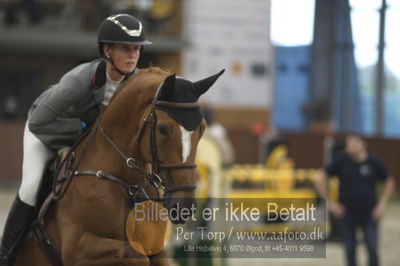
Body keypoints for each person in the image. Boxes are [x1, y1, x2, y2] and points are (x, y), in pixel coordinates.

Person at [0, 13, 152, 265]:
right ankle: (6, 254)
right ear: (107, 50)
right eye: (126, 49)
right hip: (45, 133)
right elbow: (39, 120)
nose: (133, 55)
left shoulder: (135, 83)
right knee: (30, 187)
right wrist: (85, 126)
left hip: (86, 140)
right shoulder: (78, 80)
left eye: (136, 49)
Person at [314, 134, 395, 266]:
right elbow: (319, 177)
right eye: (349, 145)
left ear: (364, 144)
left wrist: (382, 204)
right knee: (350, 249)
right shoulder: (341, 160)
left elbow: (389, 181)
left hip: (370, 213)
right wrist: (330, 202)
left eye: (355, 144)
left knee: (372, 246)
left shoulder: (374, 162)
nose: (352, 148)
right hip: (347, 213)